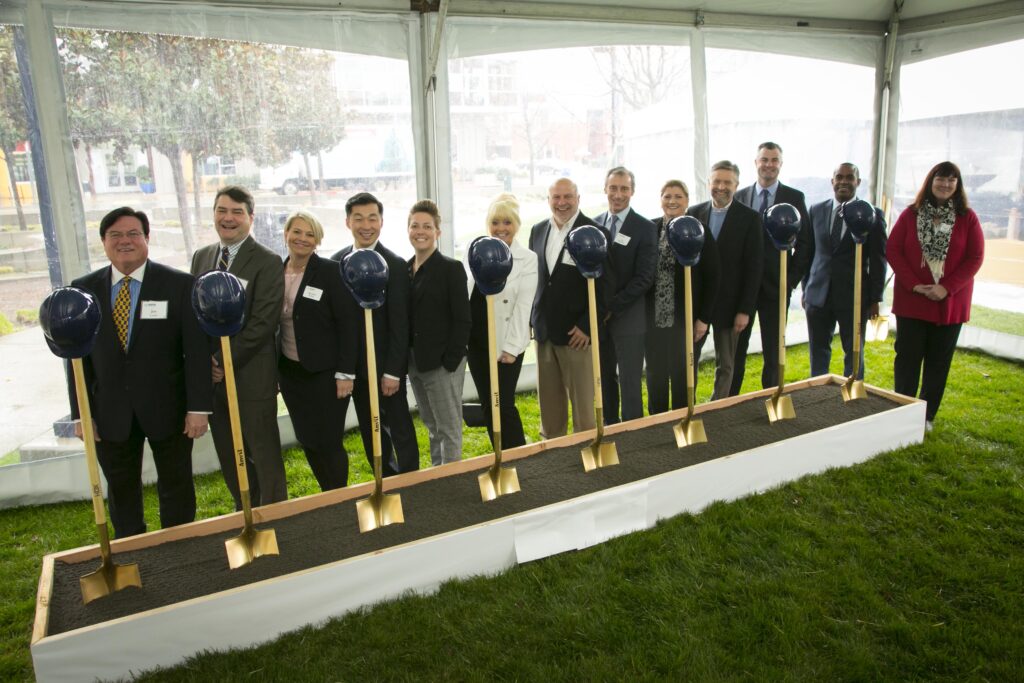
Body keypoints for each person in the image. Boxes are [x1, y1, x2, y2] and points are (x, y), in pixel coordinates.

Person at [68, 207, 212, 538]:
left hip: (170, 409)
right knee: (120, 488)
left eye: (133, 234)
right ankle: (131, 547)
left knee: (176, 483)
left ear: (147, 238)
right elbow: (75, 360)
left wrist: (198, 408)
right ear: (103, 242)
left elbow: (196, 352)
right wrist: (81, 414)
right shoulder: (83, 291)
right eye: (115, 235)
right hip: (109, 413)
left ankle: (178, 546)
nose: (125, 241)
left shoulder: (179, 284)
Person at [191, 186, 287, 509]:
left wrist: (222, 359)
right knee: (230, 454)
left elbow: (264, 323)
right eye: (222, 211)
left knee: (263, 454)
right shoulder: (202, 257)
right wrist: (207, 362)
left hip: (251, 377)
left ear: (250, 218)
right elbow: (195, 315)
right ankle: (244, 510)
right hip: (214, 382)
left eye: (236, 212)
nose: (228, 218)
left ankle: (275, 516)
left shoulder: (268, 261)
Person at [888, 161, 984, 430]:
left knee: (938, 363)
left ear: (958, 185)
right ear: (930, 181)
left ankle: (926, 417)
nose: (945, 184)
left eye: (952, 180)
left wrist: (947, 287)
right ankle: (903, 410)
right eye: (941, 178)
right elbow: (893, 249)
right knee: (907, 359)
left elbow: (975, 258)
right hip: (913, 302)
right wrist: (913, 284)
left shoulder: (968, 218)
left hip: (949, 304)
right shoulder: (910, 214)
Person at [331, 192, 420, 476]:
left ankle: (411, 481)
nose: (365, 225)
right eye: (358, 218)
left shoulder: (394, 264)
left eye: (372, 218)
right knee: (371, 428)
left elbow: (400, 323)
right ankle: (385, 479)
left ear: (381, 221)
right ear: (348, 222)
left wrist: (394, 371)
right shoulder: (336, 263)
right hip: (353, 369)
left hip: (386, 369)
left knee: (399, 426)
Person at [277, 211, 359, 491]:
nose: (302, 239)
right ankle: (326, 494)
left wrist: (346, 373)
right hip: (290, 374)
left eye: (310, 234)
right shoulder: (275, 272)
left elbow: (349, 325)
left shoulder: (330, 272)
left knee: (328, 440)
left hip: (326, 374)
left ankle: (338, 497)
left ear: (317, 241)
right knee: (307, 438)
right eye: (297, 232)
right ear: (286, 234)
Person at [733, 142, 813, 392]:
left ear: (781, 163)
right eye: (764, 159)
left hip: (775, 286)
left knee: (773, 348)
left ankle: (771, 398)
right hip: (743, 287)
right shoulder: (740, 196)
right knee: (736, 348)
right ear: (755, 162)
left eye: (774, 160)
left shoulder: (794, 197)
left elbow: (806, 243)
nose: (769, 164)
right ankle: (729, 399)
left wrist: (790, 279)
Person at [529, 177, 605, 439]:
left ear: (578, 198)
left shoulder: (595, 232)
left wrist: (587, 326)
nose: (561, 203)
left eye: (567, 197)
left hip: (577, 336)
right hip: (544, 333)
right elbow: (537, 280)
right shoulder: (538, 231)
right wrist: (533, 319)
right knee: (550, 409)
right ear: (549, 200)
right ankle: (555, 461)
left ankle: (588, 455)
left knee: (584, 408)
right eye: (556, 197)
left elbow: (606, 287)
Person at [685, 161, 763, 400]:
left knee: (727, 363)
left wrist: (745, 309)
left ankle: (718, 407)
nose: (721, 186)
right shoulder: (694, 214)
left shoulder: (750, 218)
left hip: (731, 304)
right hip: (698, 304)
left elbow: (754, 267)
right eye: (716, 181)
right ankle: (688, 404)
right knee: (689, 361)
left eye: (727, 182)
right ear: (709, 183)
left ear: (736, 185)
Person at [467, 193, 538, 450]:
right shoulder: (476, 252)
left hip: (506, 343)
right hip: (477, 343)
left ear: (516, 225)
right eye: (495, 222)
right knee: (488, 405)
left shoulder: (527, 259)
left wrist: (511, 348)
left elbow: (523, 308)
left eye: (507, 222)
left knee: (503, 405)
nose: (500, 228)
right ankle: (499, 457)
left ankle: (519, 458)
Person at [805, 163, 887, 379]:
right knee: (818, 351)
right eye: (838, 177)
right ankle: (817, 394)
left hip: (854, 296)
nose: (843, 181)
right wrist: (806, 290)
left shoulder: (872, 214)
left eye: (849, 177)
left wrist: (875, 298)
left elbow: (879, 259)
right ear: (832, 181)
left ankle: (852, 396)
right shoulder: (816, 210)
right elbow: (808, 253)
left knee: (853, 352)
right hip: (818, 295)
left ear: (858, 182)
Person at [406, 199, 471, 466]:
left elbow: (463, 320)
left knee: (448, 427)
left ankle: (451, 482)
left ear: (437, 232)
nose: (420, 231)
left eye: (427, 226)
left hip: (442, 363)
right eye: (414, 226)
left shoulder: (450, 268)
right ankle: (437, 476)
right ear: (408, 230)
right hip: (415, 362)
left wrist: (450, 363)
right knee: (431, 424)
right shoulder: (404, 269)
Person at [645, 180, 720, 414]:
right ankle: (657, 424)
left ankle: (683, 420)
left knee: (682, 375)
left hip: (687, 320)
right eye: (667, 196)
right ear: (660, 200)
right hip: (654, 319)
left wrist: (703, 319)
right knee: (655, 376)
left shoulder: (699, 230)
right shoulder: (651, 229)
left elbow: (713, 277)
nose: (672, 201)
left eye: (678, 196)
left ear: (687, 201)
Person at [594, 166, 658, 423]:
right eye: (613, 188)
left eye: (624, 189)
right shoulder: (594, 224)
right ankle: (609, 429)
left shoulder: (644, 227)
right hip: (600, 320)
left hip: (628, 318)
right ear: (605, 189)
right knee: (604, 378)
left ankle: (633, 437)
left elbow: (645, 278)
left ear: (632, 191)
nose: (618, 194)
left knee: (629, 381)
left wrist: (612, 306)